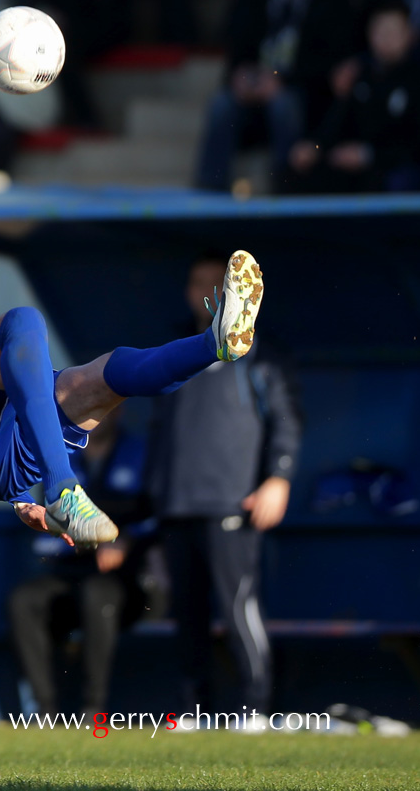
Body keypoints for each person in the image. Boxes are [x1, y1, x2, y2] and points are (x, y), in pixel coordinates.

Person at [0, 200, 265, 548]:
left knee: (97, 378)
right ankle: (64, 490)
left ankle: (213, 344)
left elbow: (33, 392)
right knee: (21, 319)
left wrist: (17, 499)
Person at [146, 254, 301, 728]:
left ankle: (255, 708)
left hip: (231, 503)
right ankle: (194, 708)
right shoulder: (172, 349)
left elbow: (287, 422)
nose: (207, 291)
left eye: (219, 283)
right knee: (186, 616)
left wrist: (278, 477)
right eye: (199, 283)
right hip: (177, 505)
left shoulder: (260, 354)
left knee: (238, 607)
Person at [8, 406, 158, 716]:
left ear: (118, 411)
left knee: (97, 595)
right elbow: (46, 520)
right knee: (24, 601)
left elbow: (157, 516)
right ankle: (44, 709)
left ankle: (94, 709)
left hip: (125, 577)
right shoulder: (62, 457)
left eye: (103, 408)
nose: (95, 416)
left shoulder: (142, 453)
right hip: (71, 567)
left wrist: (126, 540)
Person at [193, 0, 363, 192]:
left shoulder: (331, 1)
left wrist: (282, 81)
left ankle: (286, 185)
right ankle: (210, 186)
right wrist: (241, 77)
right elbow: (236, 46)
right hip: (254, 92)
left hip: (303, 96)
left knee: (283, 104)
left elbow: (330, 65)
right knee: (222, 104)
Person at [288, 0, 420, 193]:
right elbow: (336, 123)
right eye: (379, 31)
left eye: (393, 31)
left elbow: (415, 144)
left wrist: (368, 155)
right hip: (354, 164)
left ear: (410, 35)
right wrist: (314, 146)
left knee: (396, 181)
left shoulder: (418, 80)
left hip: (394, 165)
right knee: (305, 170)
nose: (385, 38)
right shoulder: (361, 76)